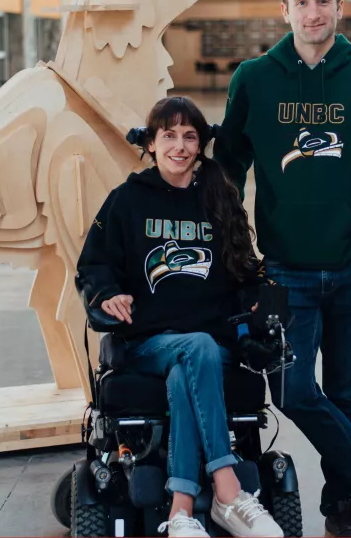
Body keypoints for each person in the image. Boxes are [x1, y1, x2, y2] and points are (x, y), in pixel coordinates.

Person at [213, 0, 351, 538]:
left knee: (348, 393)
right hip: (284, 271)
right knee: (294, 391)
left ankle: (339, 511)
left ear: (339, 7)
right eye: (301, 2)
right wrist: (232, 245)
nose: (313, 12)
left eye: (323, 1)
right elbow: (229, 167)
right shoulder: (254, 78)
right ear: (285, 11)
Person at [76, 96, 285, 538]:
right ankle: (228, 491)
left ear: (200, 145)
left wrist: (256, 313)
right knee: (196, 348)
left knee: (185, 372)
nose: (180, 145)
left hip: (213, 346)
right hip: (147, 343)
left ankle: (180, 510)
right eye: (168, 135)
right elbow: (93, 266)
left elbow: (247, 271)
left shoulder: (219, 199)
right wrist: (107, 292)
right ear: (150, 144)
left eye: (189, 136)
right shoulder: (127, 200)